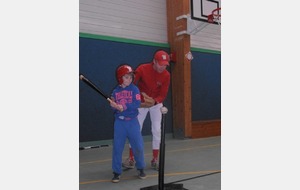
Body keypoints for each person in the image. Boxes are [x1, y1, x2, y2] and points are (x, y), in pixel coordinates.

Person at [122, 50, 171, 171]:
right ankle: (132, 159)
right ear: (154, 61)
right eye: (161, 64)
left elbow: (163, 94)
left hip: (155, 104)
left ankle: (155, 159)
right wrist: (136, 96)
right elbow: (131, 82)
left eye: (165, 64)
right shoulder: (143, 68)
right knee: (135, 129)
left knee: (157, 130)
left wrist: (154, 101)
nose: (163, 67)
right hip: (141, 103)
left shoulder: (166, 75)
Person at [109, 64, 147, 183]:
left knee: (138, 146)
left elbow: (136, 103)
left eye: (131, 77)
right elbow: (114, 109)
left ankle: (140, 168)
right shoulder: (115, 92)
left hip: (132, 123)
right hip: (120, 123)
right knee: (117, 148)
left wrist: (124, 106)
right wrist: (114, 106)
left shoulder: (134, 89)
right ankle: (116, 172)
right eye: (126, 77)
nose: (129, 79)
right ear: (120, 78)